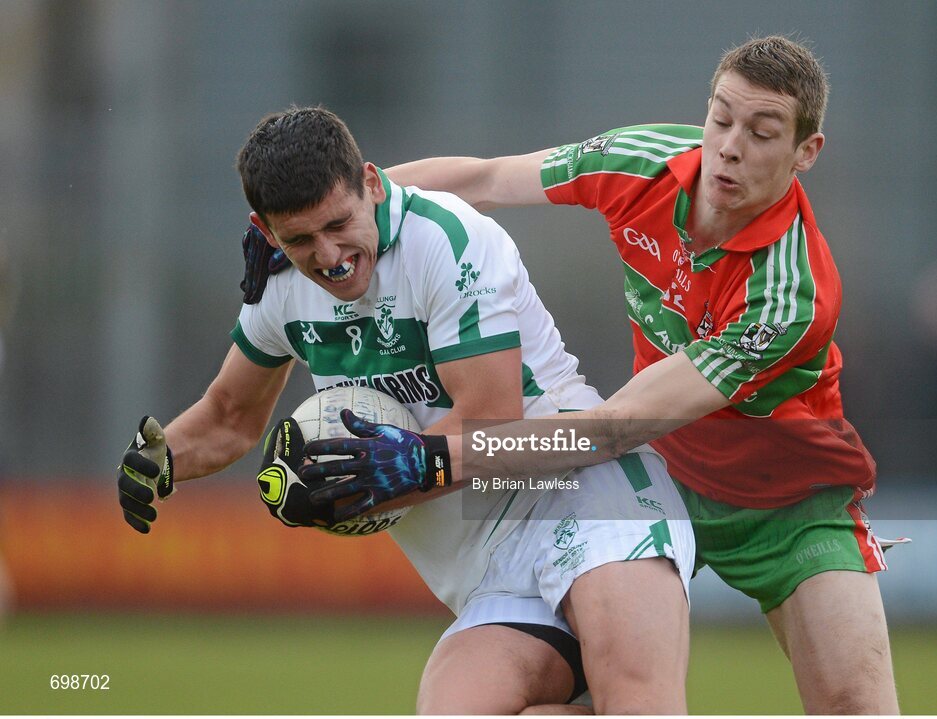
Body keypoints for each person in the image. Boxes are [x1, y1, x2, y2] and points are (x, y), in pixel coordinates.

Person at [324, 36, 905, 714]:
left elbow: (608, 428)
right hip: (658, 477)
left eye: (762, 132)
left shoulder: (789, 295)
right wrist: (338, 218)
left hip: (785, 506)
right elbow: (483, 180)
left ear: (805, 153)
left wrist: (431, 461)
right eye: (720, 118)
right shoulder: (642, 162)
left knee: (858, 707)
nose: (728, 146)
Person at [116, 107, 694, 714]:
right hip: (484, 565)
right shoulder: (281, 287)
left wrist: (400, 468)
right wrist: (162, 457)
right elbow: (230, 416)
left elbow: (492, 417)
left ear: (371, 184)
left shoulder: (445, 239)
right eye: (300, 240)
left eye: (339, 224)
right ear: (264, 231)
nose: (330, 256)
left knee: (635, 701)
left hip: (579, 486)